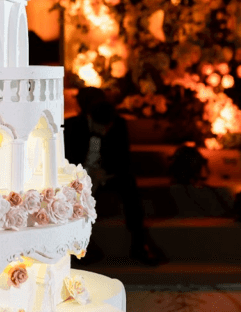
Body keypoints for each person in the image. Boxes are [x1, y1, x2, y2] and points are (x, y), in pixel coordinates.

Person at [64, 88, 166, 266]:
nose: (105, 130)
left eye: (108, 127)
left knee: (129, 182)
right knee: (67, 192)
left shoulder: (118, 124)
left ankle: (139, 242)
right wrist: (84, 175)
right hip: (79, 176)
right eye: (100, 127)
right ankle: (78, 245)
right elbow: (67, 159)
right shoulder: (72, 126)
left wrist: (104, 174)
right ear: (89, 118)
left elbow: (123, 159)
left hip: (106, 175)